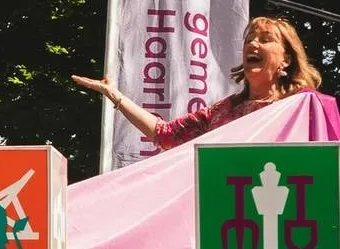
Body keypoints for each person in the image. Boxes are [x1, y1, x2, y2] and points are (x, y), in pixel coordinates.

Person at [72, 15, 321, 149]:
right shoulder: (223, 111)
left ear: (286, 59)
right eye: (249, 40)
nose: (253, 44)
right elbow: (165, 134)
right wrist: (115, 95)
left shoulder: (302, 106)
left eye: (265, 39)